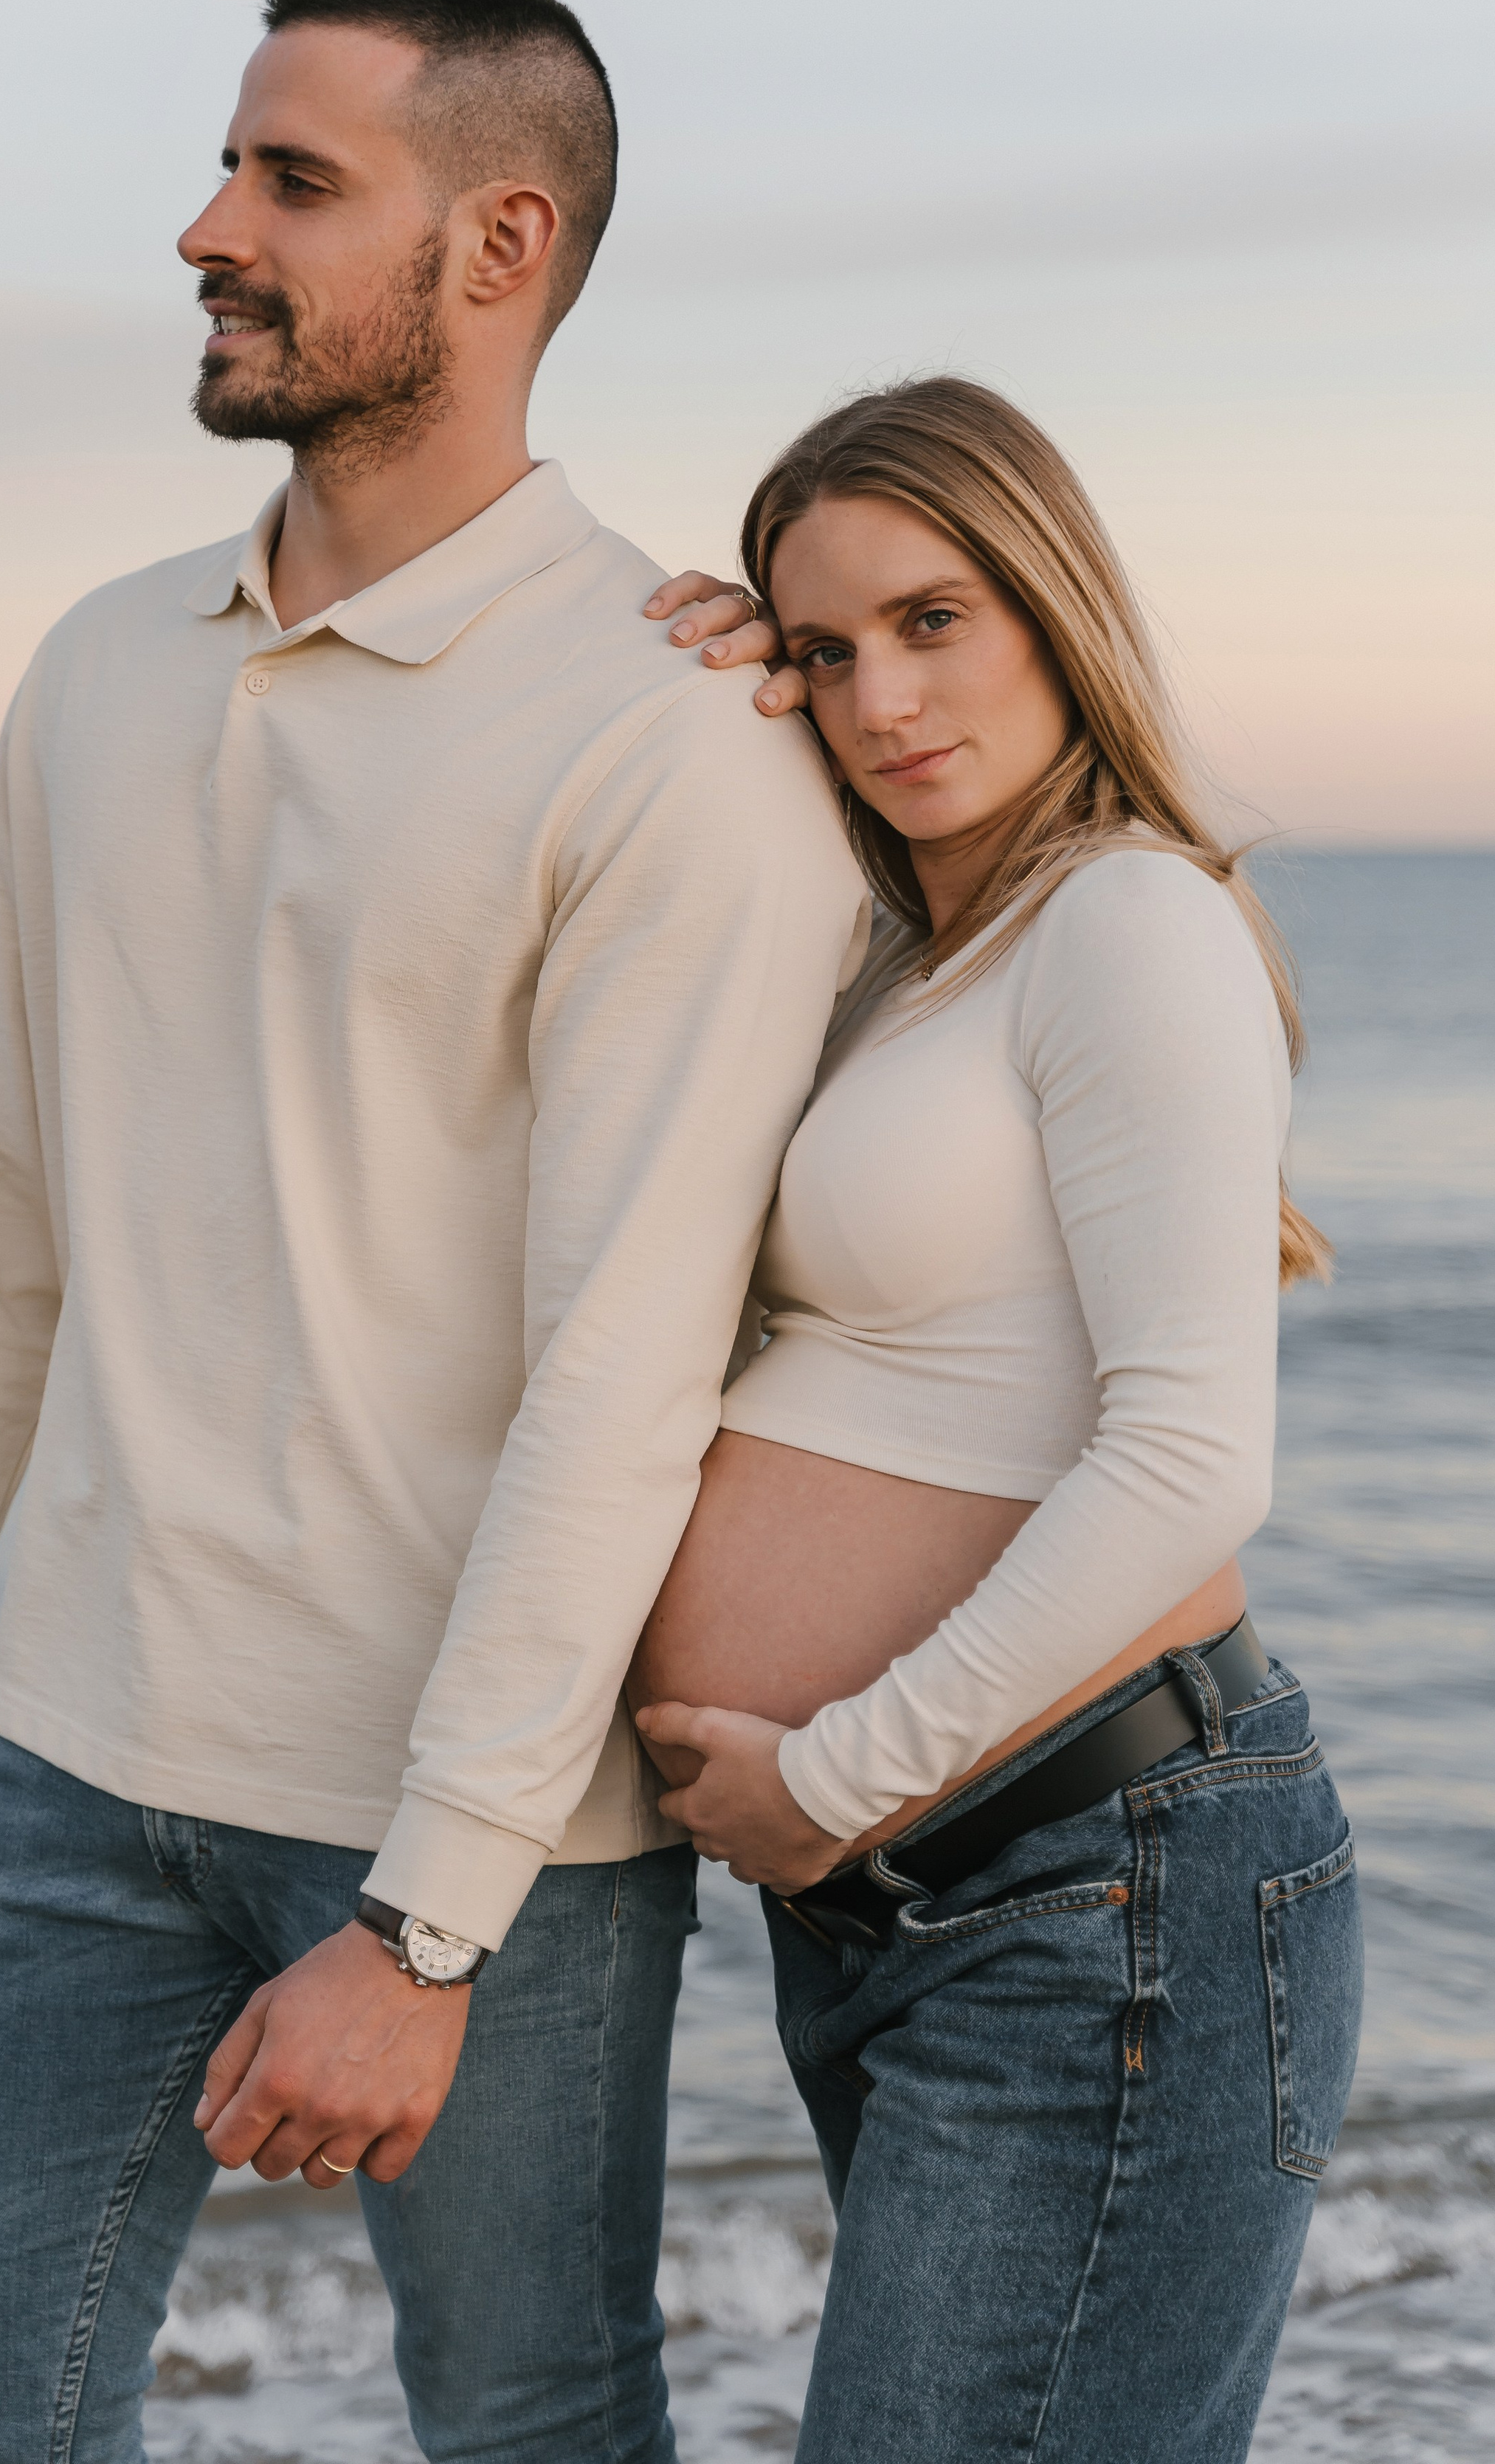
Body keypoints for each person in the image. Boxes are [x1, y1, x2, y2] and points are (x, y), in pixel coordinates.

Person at [0, 0, 867, 2464]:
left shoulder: (670, 737)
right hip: (70, 1762)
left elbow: (623, 1368)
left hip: (482, 1824)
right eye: (227, 162)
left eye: (290, 179)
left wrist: (430, 1916)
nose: (204, 228)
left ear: (497, 246)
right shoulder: (99, 669)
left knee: (531, 2423)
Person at [632, 377, 1364, 2463]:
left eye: (935, 619)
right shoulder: (918, 960)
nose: (880, 696)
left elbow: (1193, 1458)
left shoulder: (1126, 917)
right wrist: (676, 680)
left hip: (1098, 1885)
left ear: (1053, 607)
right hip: (937, 1902)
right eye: (824, 648)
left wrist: (842, 1772)